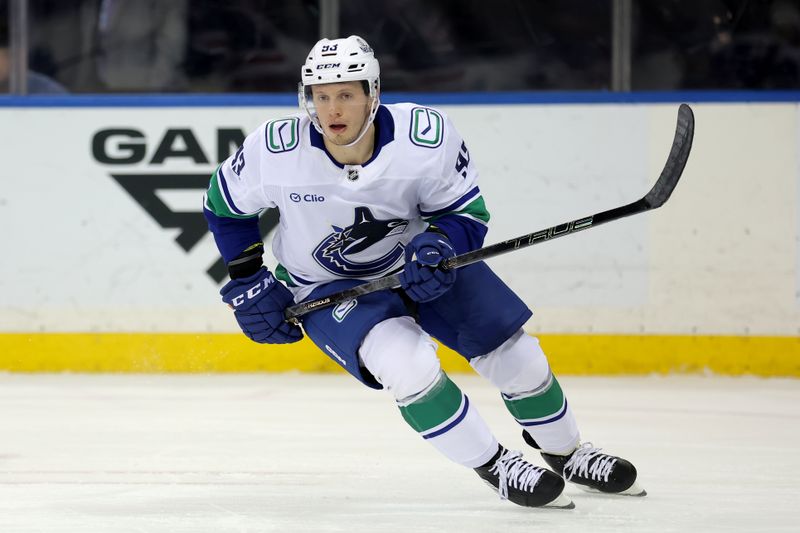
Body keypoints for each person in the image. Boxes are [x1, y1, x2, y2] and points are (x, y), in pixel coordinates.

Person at [203, 35, 644, 508]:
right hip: (326, 285)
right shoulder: (276, 150)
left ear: (373, 94)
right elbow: (222, 206)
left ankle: (568, 452)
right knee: (408, 368)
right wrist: (251, 279)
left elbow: (466, 214)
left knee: (519, 357)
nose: (332, 109)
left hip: (422, 264)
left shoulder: (423, 138)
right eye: (322, 95)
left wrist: (438, 245)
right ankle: (497, 465)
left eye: (346, 94)